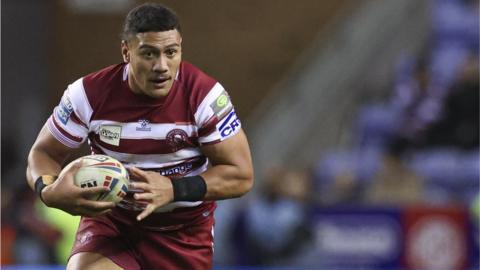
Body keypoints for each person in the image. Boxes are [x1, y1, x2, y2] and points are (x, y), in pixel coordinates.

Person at [25, 3, 254, 269]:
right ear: (127, 51)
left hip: (182, 231)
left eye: (171, 52)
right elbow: (43, 153)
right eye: (149, 53)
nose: (162, 66)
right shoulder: (87, 95)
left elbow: (241, 175)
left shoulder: (205, 97)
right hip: (113, 222)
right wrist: (48, 191)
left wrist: (174, 189)